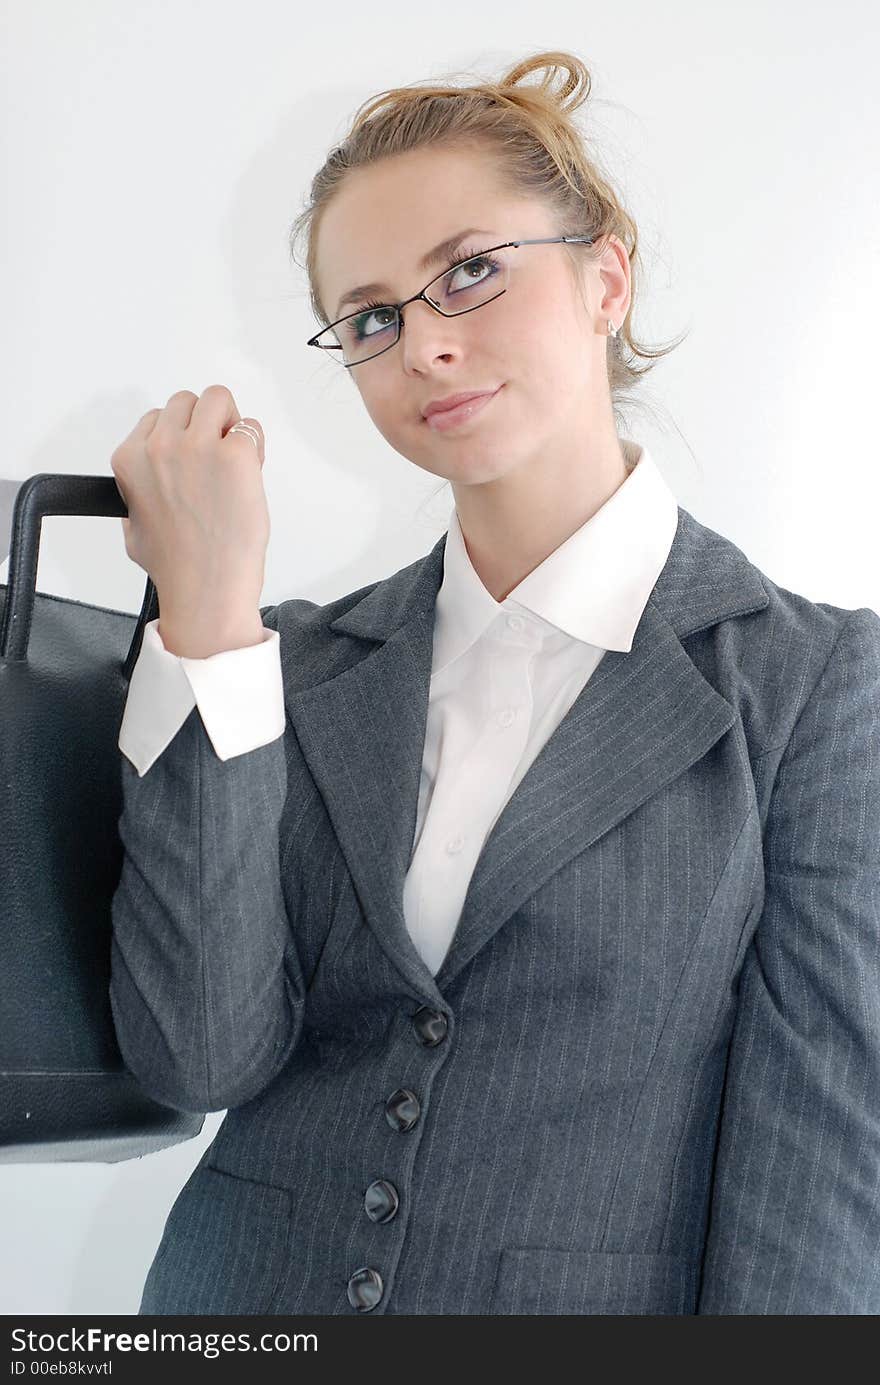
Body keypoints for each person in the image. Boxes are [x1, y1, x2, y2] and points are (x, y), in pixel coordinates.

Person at [109, 50, 880, 1315]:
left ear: (605, 275)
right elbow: (198, 1054)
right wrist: (206, 618)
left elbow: (820, 1160)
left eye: (469, 271)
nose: (425, 344)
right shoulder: (286, 664)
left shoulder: (807, 687)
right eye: (372, 317)